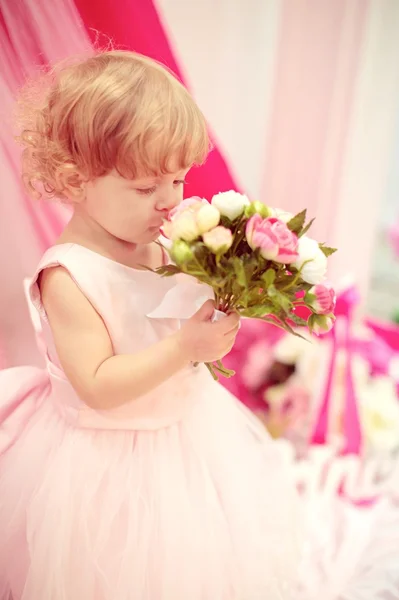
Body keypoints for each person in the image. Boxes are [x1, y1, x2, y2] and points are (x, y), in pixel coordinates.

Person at [0, 50, 300, 600]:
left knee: (191, 566)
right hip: (103, 461)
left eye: (178, 182)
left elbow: (165, 323)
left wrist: (216, 314)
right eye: (145, 188)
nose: (168, 204)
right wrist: (186, 345)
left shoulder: (162, 246)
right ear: (75, 177)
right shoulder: (70, 275)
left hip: (182, 439)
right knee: (112, 573)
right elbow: (98, 385)